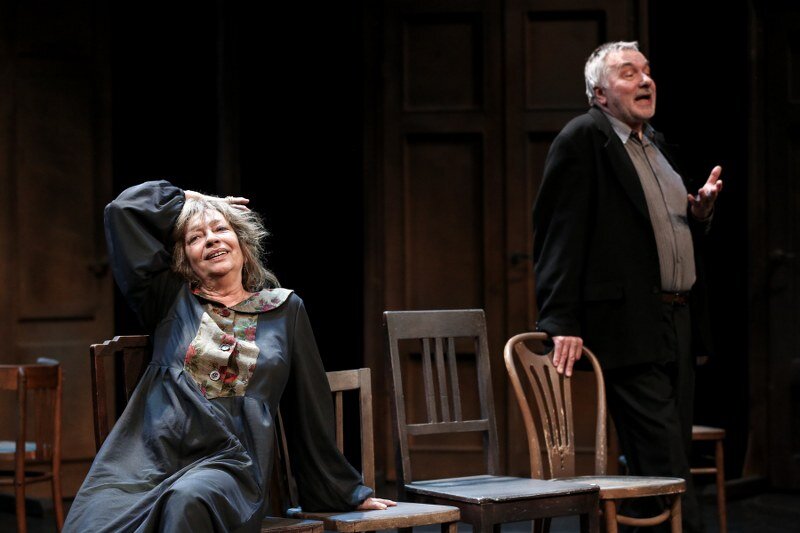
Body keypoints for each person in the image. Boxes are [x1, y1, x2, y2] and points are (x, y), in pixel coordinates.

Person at [64, 180, 395, 532]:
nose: (211, 240)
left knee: (187, 500)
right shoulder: (169, 299)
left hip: (228, 463)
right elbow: (123, 211)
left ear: (243, 244)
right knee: (93, 516)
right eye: (195, 237)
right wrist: (195, 198)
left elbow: (308, 409)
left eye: (220, 229)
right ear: (184, 259)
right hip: (148, 459)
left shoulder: (285, 310)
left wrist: (342, 491)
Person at [532, 41, 722, 532]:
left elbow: (658, 230)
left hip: (676, 320)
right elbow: (558, 233)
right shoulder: (583, 139)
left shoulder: (655, 144)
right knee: (666, 464)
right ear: (600, 93)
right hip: (627, 326)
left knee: (661, 461)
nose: (645, 80)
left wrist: (699, 212)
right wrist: (560, 319)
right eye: (629, 73)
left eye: (647, 71)